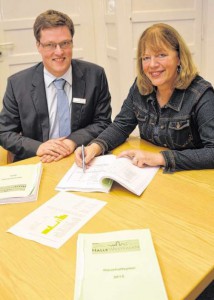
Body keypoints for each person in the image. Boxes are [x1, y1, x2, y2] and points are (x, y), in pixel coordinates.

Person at [75, 23, 214, 173]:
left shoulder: (201, 95)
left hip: (192, 178)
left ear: (179, 58)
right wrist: (95, 147)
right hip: (151, 173)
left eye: (161, 55)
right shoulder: (141, 86)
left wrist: (160, 158)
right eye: (146, 58)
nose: (152, 64)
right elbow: (121, 125)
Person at [0, 10, 112, 163]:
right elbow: (4, 132)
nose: (59, 52)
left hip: (81, 157)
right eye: (50, 45)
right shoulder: (18, 84)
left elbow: (103, 122)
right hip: (37, 160)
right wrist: (38, 148)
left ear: (72, 42)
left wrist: (71, 142)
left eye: (65, 43)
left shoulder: (95, 75)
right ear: (38, 46)